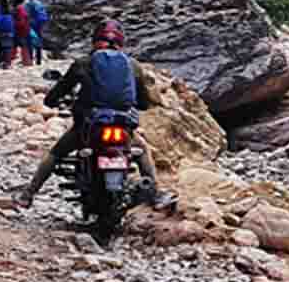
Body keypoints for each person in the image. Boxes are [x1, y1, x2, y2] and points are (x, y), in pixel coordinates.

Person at [14, 20, 172, 210]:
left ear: (95, 40)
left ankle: (28, 194)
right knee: (142, 151)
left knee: (55, 154)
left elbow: (57, 93)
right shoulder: (133, 65)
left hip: (89, 128)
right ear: (121, 43)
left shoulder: (83, 63)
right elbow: (143, 102)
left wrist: (53, 102)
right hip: (123, 126)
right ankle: (156, 193)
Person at [23, 0, 49, 65]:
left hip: (31, 25)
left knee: (29, 42)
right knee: (38, 43)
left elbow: (26, 15)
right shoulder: (39, 3)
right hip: (39, 25)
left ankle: (30, 59)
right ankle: (38, 60)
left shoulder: (28, 3)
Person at [0, 0, 15, 69]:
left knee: (1, 48)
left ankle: (0, 62)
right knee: (7, 48)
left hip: (1, 32)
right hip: (9, 32)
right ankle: (6, 62)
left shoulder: (0, 12)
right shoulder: (10, 11)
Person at [13, 0, 32, 67]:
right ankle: (26, 61)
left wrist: (14, 24)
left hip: (22, 31)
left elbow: (21, 22)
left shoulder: (19, 9)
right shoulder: (23, 8)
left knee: (23, 46)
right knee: (23, 46)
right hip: (25, 30)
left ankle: (26, 62)